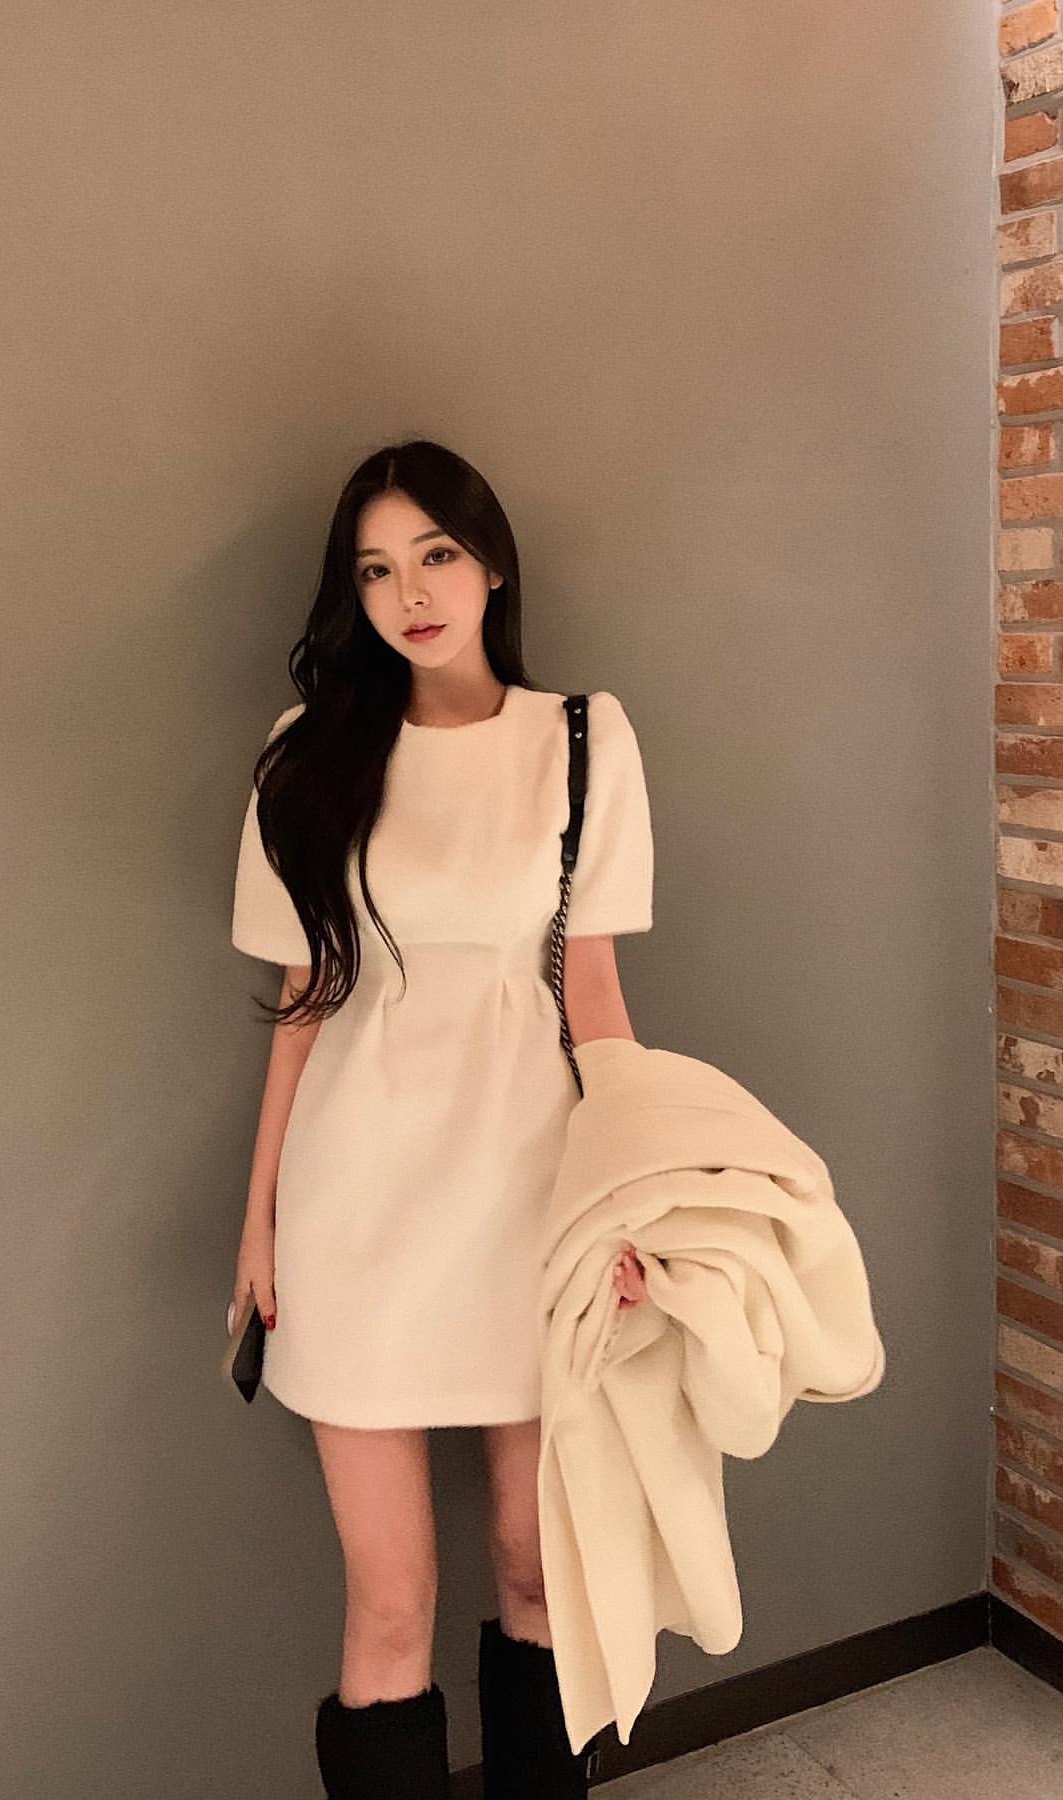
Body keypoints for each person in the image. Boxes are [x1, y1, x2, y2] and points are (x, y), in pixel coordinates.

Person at [227, 438, 654, 1798]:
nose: (409, 593)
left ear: (492, 565)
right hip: (357, 1205)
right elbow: (305, 1000)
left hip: (532, 1196)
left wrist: (631, 1201)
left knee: (536, 1566)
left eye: (436, 555)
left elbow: (594, 995)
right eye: (374, 570)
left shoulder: (581, 740)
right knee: (391, 1599)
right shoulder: (306, 754)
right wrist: (260, 1221)